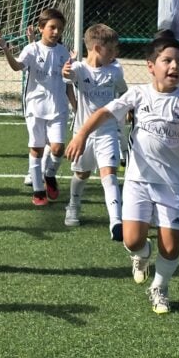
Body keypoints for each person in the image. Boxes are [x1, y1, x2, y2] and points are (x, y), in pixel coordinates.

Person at [66, 37, 179, 314]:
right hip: (137, 182)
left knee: (170, 246)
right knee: (131, 240)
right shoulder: (138, 95)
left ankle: (159, 286)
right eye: (167, 61)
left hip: (170, 185)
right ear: (150, 66)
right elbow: (105, 112)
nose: (174, 67)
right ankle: (142, 255)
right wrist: (82, 133)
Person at [0, 9, 73, 206]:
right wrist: (5, 49)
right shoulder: (32, 49)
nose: (56, 32)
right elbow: (17, 66)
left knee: (57, 147)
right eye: (52, 27)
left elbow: (69, 83)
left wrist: (77, 107)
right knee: (36, 149)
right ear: (41, 28)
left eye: (60, 28)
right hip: (36, 106)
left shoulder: (64, 53)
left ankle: (50, 175)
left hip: (58, 107)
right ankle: (38, 191)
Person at [61, 23, 127, 239]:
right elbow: (68, 76)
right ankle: (73, 204)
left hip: (108, 131)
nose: (116, 53)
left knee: (109, 174)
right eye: (112, 49)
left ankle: (116, 222)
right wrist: (65, 70)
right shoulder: (80, 69)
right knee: (81, 173)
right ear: (97, 48)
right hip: (83, 134)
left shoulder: (115, 71)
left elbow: (123, 91)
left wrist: (127, 109)